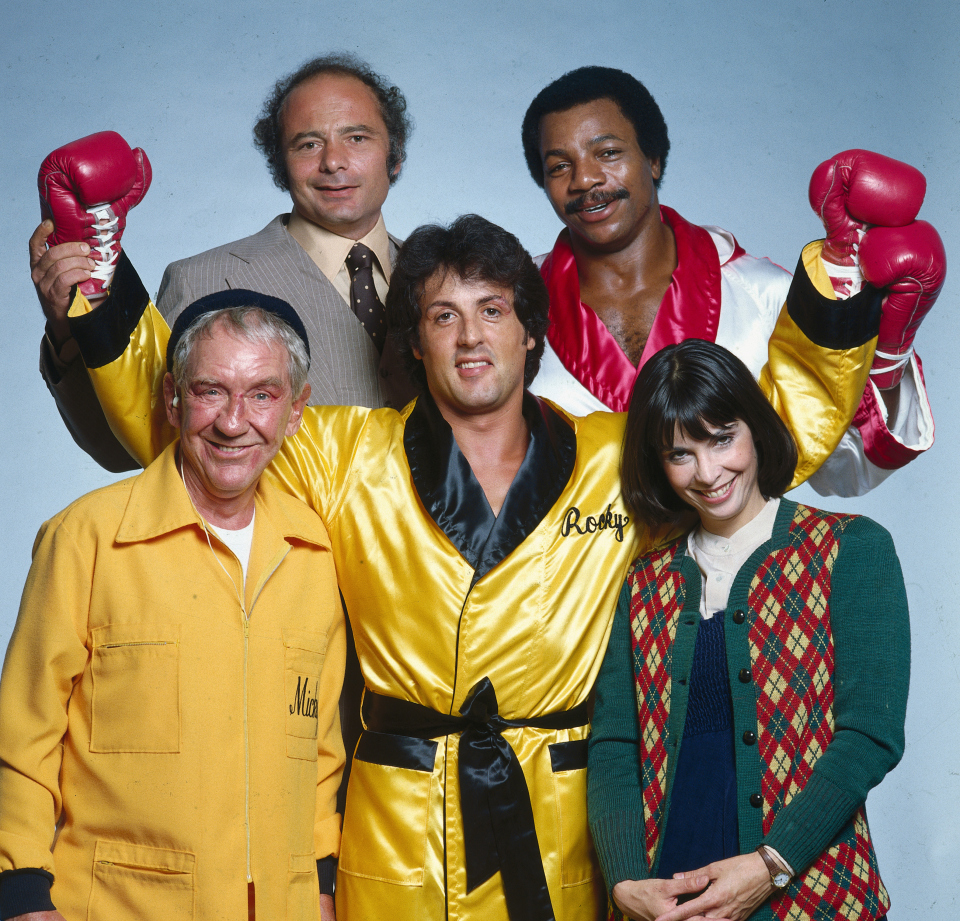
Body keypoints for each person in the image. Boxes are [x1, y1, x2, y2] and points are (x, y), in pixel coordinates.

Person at [57, 202, 882, 921]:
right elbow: (203, 429)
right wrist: (99, 282)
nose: (471, 336)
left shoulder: (610, 455)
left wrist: (837, 288)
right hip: (394, 814)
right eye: (442, 315)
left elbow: (757, 438)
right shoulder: (344, 451)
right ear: (413, 339)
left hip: (559, 812)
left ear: (530, 326)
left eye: (492, 309)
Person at [0, 294, 345, 921]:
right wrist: (20, 889)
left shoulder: (314, 552)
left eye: (263, 395)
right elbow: (22, 732)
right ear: (172, 398)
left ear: (297, 411)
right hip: (119, 907)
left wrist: (320, 885)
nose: (235, 422)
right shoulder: (87, 537)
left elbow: (319, 747)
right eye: (211, 391)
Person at [588, 339, 909, 921]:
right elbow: (615, 745)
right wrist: (625, 881)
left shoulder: (849, 551)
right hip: (669, 898)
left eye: (721, 438)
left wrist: (771, 864)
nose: (708, 472)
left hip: (807, 894)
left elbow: (870, 735)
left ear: (755, 428)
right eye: (679, 454)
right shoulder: (644, 581)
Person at [521, 65, 946, 496]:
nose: (585, 180)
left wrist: (888, 359)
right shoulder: (509, 309)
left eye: (607, 153)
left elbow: (843, 469)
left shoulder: (764, 295)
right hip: (580, 565)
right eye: (559, 166)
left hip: (735, 563)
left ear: (653, 159)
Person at [30, 51, 417, 474]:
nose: (333, 162)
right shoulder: (201, 281)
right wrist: (71, 327)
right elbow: (127, 446)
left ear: (394, 156)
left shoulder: (445, 284)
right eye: (308, 144)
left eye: (357, 138)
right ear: (281, 167)